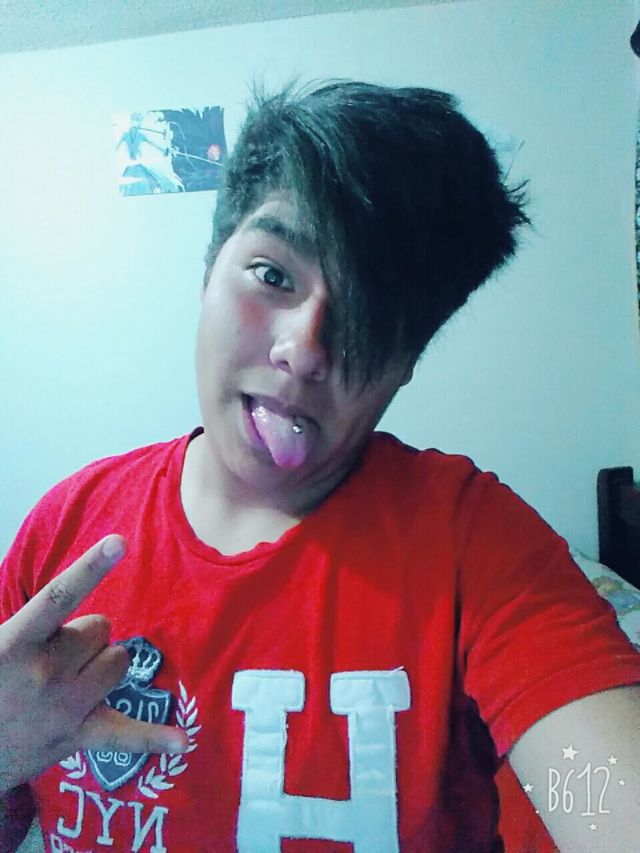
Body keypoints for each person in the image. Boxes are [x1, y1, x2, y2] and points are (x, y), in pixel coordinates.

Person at [1, 81, 639, 853]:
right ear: (208, 272)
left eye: (369, 312)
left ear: (407, 361)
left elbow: (599, 790)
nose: (305, 349)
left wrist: (599, 799)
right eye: (273, 275)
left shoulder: (474, 544)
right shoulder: (64, 532)